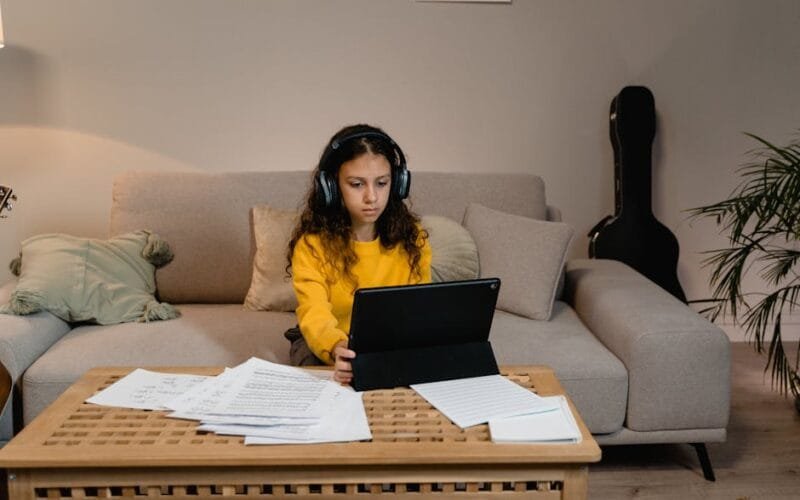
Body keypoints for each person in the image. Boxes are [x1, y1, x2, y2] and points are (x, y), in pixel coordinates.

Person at [285, 124, 431, 384]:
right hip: (327, 341)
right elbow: (314, 312)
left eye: (382, 183)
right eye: (356, 184)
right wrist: (337, 348)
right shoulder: (312, 246)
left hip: (388, 341)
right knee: (324, 374)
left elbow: (418, 311)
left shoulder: (413, 240)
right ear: (331, 186)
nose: (371, 197)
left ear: (397, 184)